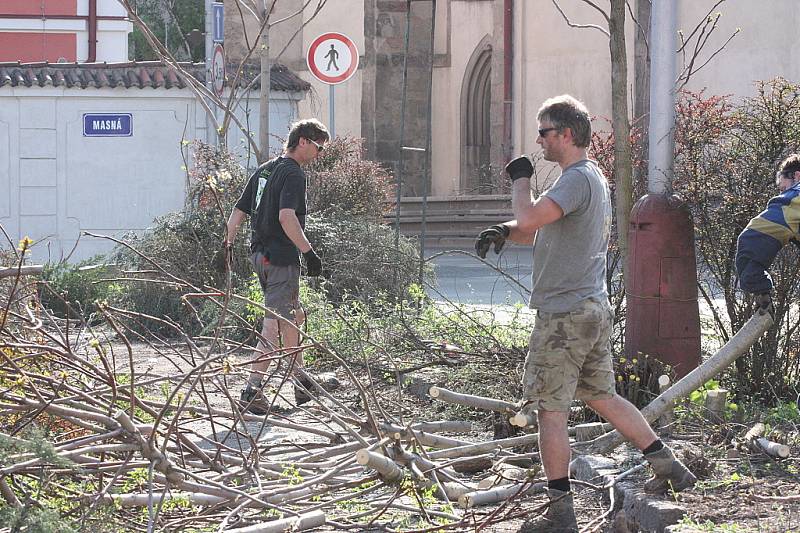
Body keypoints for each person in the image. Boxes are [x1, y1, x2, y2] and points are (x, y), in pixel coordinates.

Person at [475, 95, 696, 532]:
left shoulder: (575, 179)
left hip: (564, 316)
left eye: (544, 132)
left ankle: (561, 515)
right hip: (590, 309)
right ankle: (669, 467)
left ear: (567, 135)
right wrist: (504, 232)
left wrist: (520, 180)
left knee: (549, 411)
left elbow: (530, 214)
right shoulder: (586, 179)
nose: (539, 140)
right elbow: (537, 228)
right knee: (602, 396)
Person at [225, 118, 329, 414]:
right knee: (273, 324)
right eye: (319, 147)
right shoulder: (293, 173)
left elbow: (238, 211)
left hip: (260, 255)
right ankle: (252, 391)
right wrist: (309, 253)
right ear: (304, 141)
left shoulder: (265, 169)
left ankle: (301, 382)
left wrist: (227, 247)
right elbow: (287, 217)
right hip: (280, 257)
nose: (319, 154)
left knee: (291, 316)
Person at [735, 154, 800, 315]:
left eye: (782, 181)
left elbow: (752, 236)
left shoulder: (794, 198)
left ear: (796, 175)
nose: (780, 188)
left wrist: (755, 281)